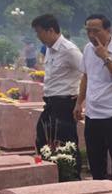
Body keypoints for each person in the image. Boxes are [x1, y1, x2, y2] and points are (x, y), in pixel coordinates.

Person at [75, 14, 112, 181]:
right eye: (88, 31)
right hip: (92, 113)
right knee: (95, 158)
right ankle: (99, 187)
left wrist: (105, 57)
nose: (92, 35)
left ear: (108, 30)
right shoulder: (87, 49)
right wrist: (79, 103)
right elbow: (86, 76)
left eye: (96, 31)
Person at [31, 13, 83, 176]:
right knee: (43, 136)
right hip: (51, 103)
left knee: (67, 142)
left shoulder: (69, 50)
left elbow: (87, 73)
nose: (38, 36)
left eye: (39, 32)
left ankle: (72, 176)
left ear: (50, 30)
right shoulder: (49, 49)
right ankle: (53, 172)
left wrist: (80, 100)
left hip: (65, 103)